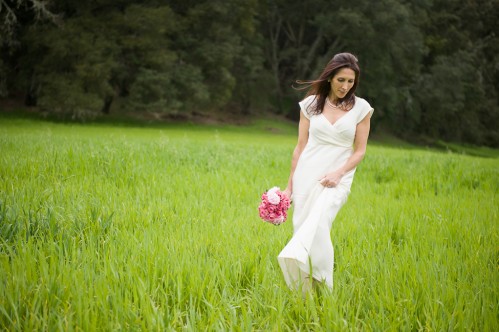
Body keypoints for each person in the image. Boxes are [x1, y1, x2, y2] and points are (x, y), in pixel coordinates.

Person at [278, 52, 374, 293]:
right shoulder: (310, 105)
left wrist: (339, 173)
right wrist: (289, 186)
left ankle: (325, 287)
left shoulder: (361, 108)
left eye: (350, 82)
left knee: (319, 223)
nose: (345, 86)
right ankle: (304, 291)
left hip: (338, 176)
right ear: (330, 77)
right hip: (307, 172)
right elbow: (300, 147)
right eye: (341, 80)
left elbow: (359, 151)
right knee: (303, 226)